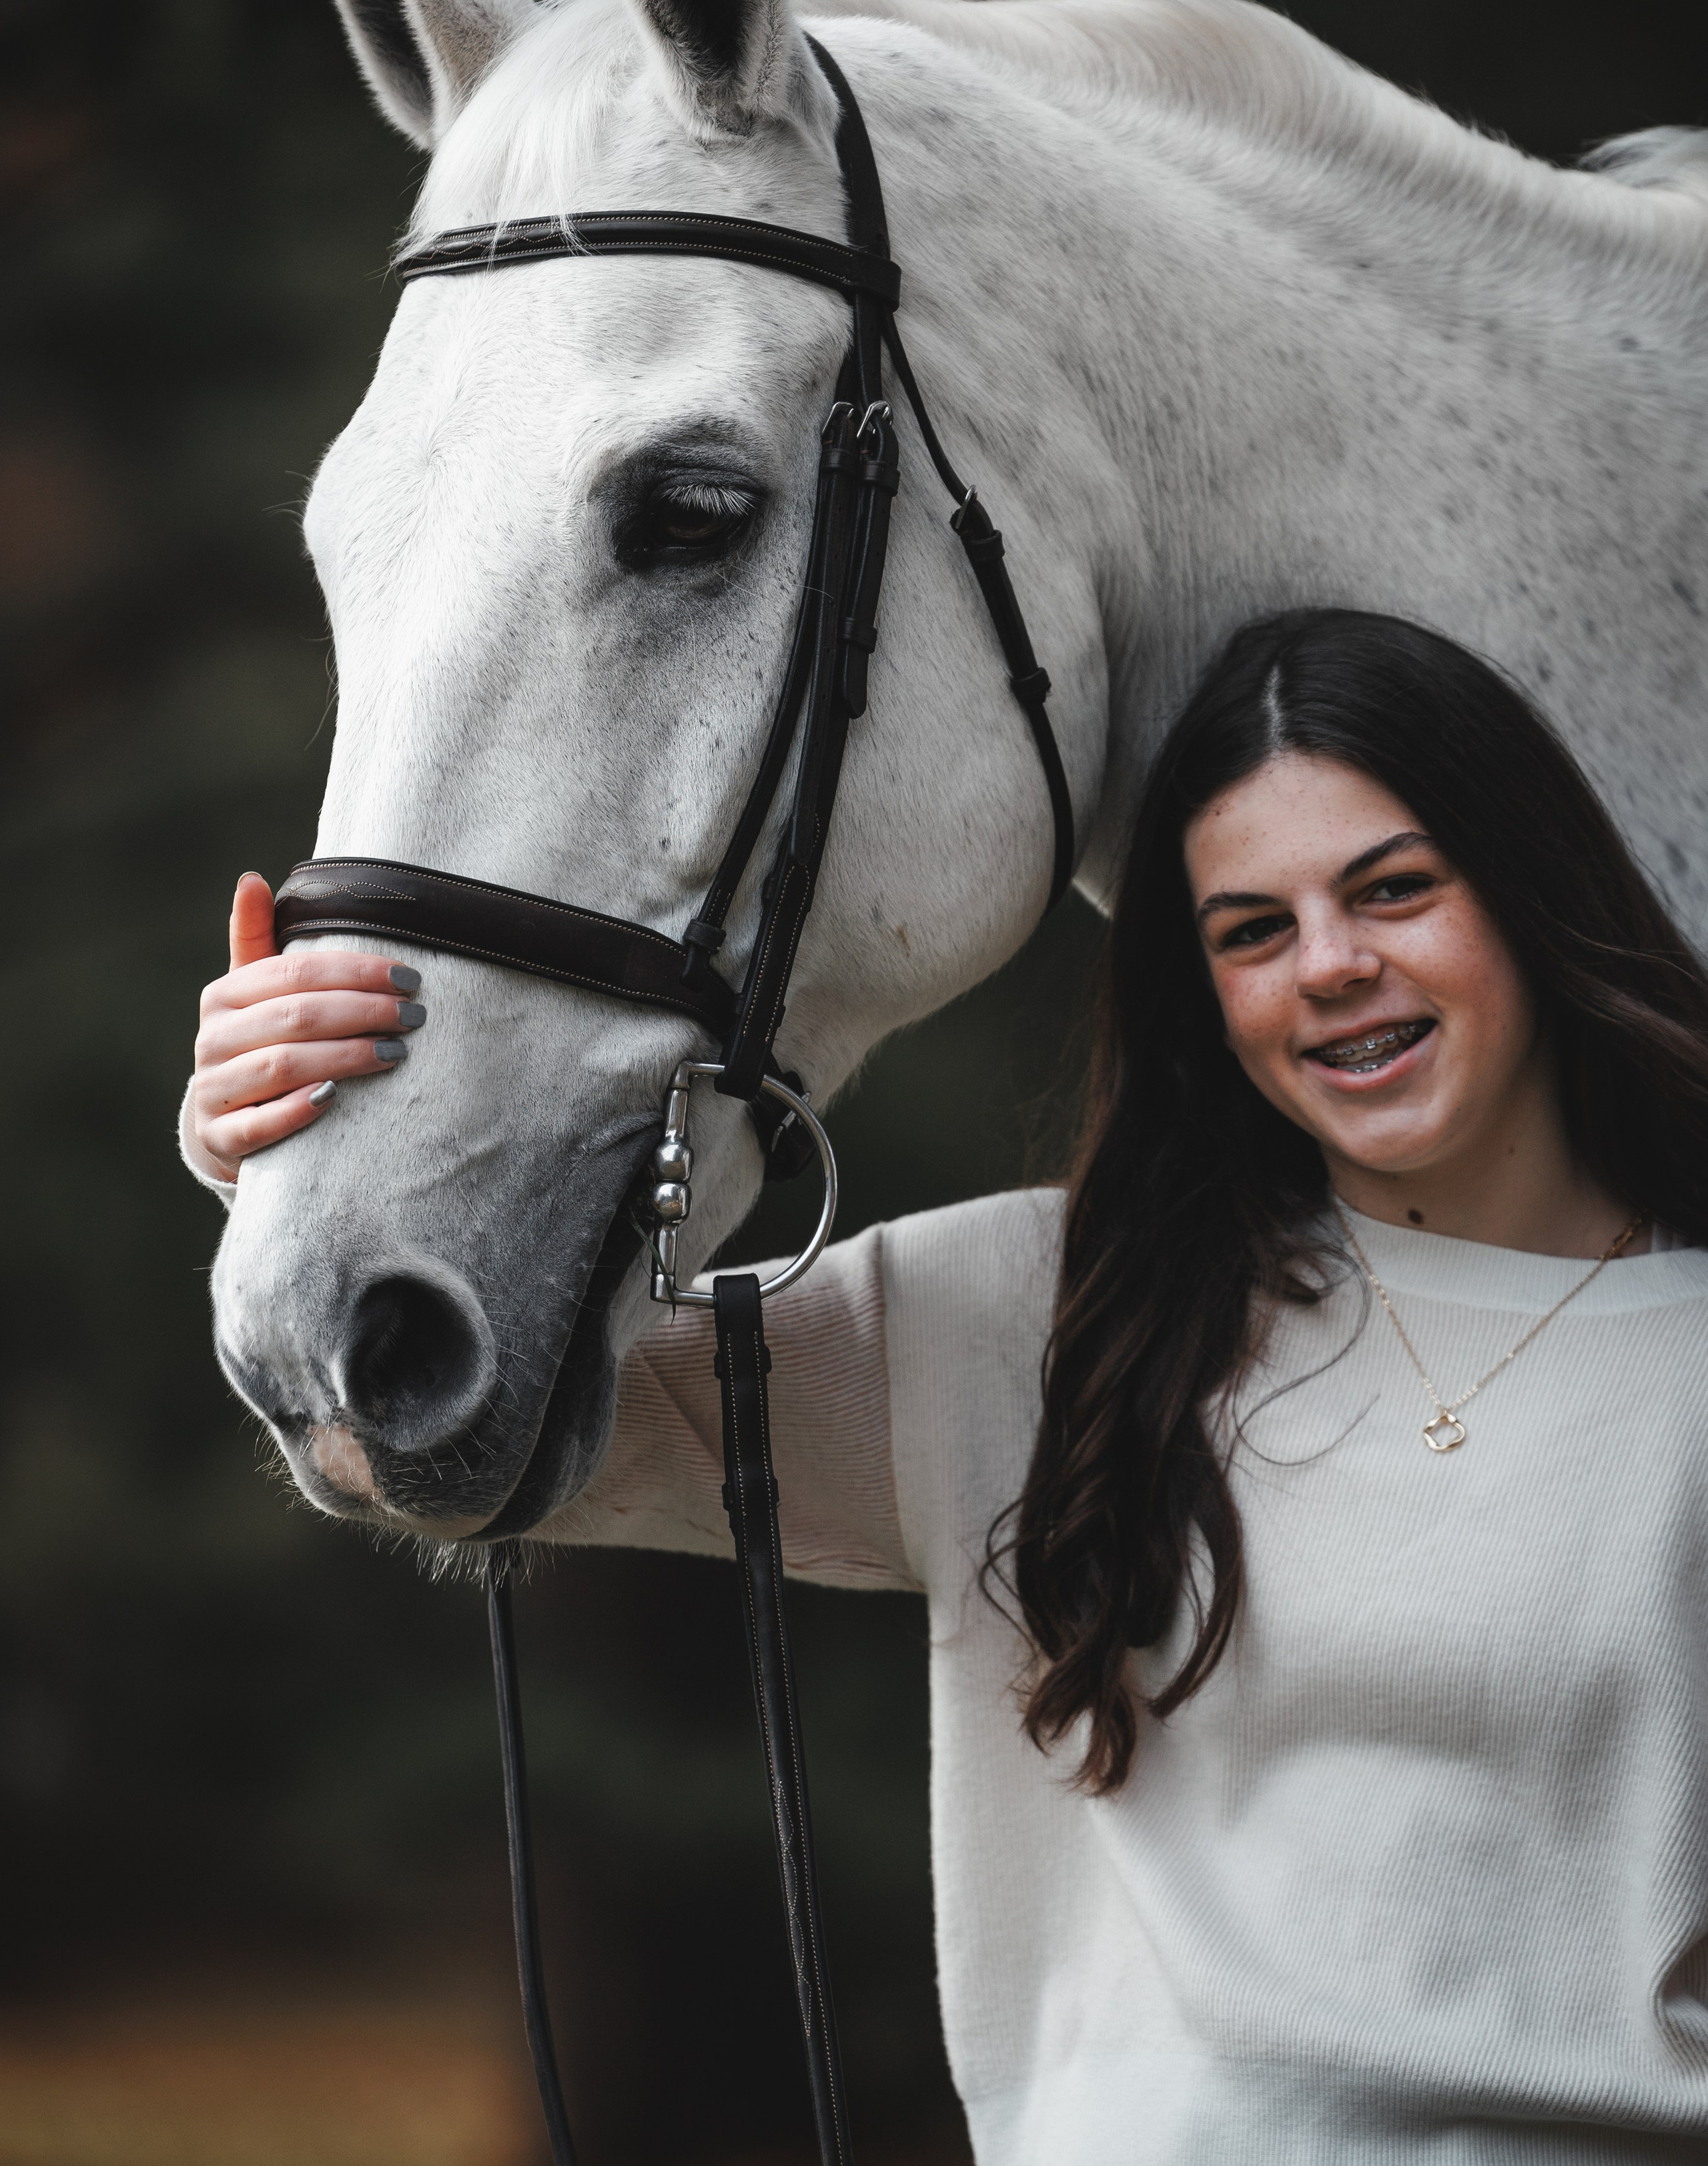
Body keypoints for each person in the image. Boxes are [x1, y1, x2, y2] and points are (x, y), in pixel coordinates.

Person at [183, 607, 1708, 2161]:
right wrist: (290, 1165)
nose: (1327, 966)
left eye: (1391, 890)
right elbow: (419, 1434)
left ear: (1526, 894)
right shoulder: (1049, 1316)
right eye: (1251, 929)